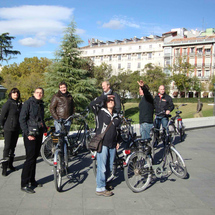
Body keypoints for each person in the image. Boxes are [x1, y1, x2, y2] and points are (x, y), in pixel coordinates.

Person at [90, 94, 121, 197]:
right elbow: (92, 104)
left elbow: (118, 129)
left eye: (112, 100)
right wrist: (105, 96)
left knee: (109, 167)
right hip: (102, 143)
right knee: (102, 167)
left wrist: (118, 141)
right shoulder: (101, 112)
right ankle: (100, 188)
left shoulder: (116, 114)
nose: (111, 101)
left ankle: (105, 183)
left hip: (112, 144)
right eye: (109, 100)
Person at [19, 87, 46, 194]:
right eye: (37, 92)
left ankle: (32, 180)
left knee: (34, 158)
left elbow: (40, 119)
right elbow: (22, 119)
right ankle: (24, 184)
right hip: (30, 135)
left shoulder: (40, 104)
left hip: (38, 134)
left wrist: (44, 128)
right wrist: (27, 133)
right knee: (29, 159)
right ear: (34, 93)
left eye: (41, 93)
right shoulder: (28, 103)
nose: (39, 94)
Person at [0, 88, 22, 176]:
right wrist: (2, 127)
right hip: (8, 129)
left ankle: (11, 165)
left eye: (17, 93)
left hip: (16, 129)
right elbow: (2, 117)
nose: (15, 94)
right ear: (10, 94)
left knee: (13, 147)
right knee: (7, 148)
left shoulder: (19, 104)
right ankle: (4, 168)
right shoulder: (8, 103)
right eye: (14, 93)